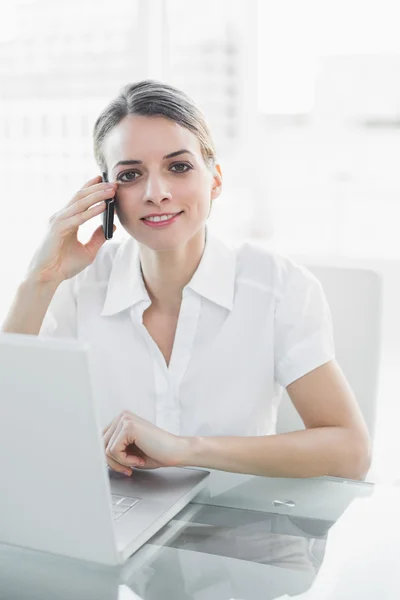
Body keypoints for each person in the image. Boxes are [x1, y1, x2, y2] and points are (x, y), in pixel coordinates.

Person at [2, 80, 370, 480]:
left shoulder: (278, 288)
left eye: (179, 167)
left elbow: (350, 451)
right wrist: (40, 280)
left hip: (237, 527)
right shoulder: (77, 287)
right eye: (130, 175)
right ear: (105, 194)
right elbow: (11, 426)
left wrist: (186, 450)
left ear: (214, 180)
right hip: (111, 524)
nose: (156, 193)